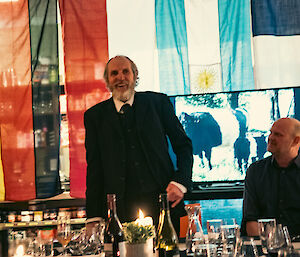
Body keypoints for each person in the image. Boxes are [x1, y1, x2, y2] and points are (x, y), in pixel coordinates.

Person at [84, 55, 193, 233]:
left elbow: (183, 145)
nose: (121, 77)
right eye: (114, 73)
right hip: (119, 212)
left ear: (135, 75)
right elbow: (94, 169)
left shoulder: (158, 103)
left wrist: (180, 182)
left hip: (164, 204)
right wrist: (94, 216)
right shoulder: (94, 117)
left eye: (126, 71)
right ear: (107, 80)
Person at [242, 117, 300, 237]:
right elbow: (250, 223)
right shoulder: (255, 171)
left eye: (278, 135)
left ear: (296, 141)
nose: (271, 138)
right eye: (271, 132)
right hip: (264, 247)